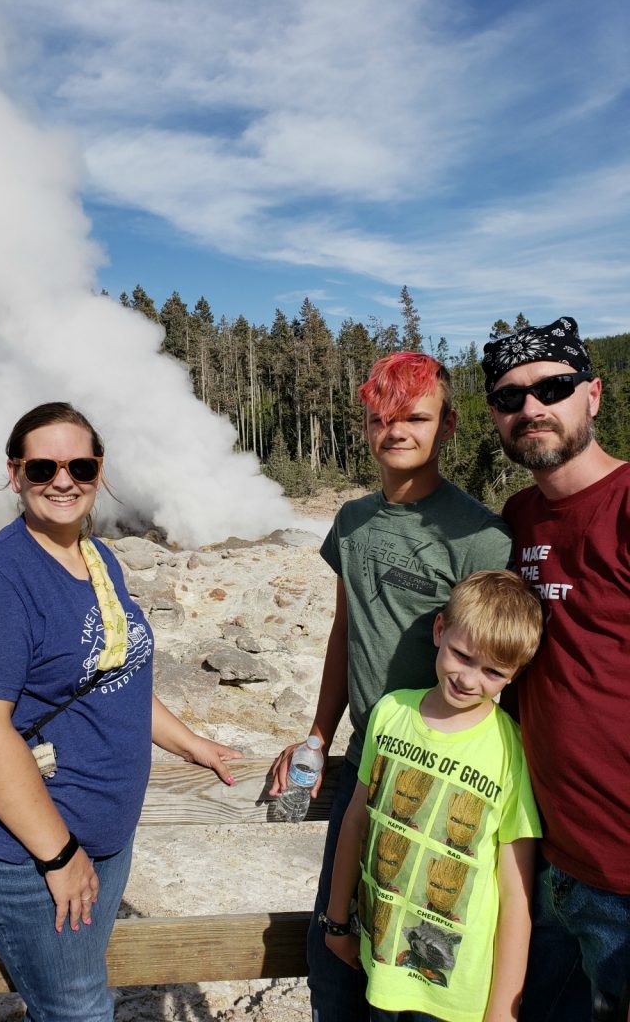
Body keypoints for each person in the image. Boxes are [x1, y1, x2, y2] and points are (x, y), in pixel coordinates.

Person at [0, 402, 242, 1022]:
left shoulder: (95, 555)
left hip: (104, 839)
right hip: (33, 852)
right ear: (14, 472)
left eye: (79, 464)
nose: (62, 479)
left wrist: (194, 746)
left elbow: (119, 675)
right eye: (42, 466)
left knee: (71, 1001)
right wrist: (58, 855)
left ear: (99, 470)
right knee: (78, 1009)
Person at [269, 352, 514, 1021]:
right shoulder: (352, 523)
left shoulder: (479, 536)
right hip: (367, 759)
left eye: (414, 416)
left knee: (413, 964)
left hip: (443, 772)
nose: (395, 431)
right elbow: (345, 630)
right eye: (381, 418)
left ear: (449, 425)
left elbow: (493, 659)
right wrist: (318, 734)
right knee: (333, 948)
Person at [483, 318, 630, 1022]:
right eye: (511, 397)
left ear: (593, 395)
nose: (532, 408)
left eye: (555, 387)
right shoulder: (517, 518)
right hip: (551, 863)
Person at [324, 570, 542, 1022]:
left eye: (493, 671)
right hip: (381, 964)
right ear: (439, 631)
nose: (468, 679)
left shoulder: (513, 751)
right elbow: (356, 821)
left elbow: (516, 890)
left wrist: (504, 1008)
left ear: (514, 675)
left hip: (454, 995)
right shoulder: (391, 712)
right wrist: (335, 921)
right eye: (462, 655)